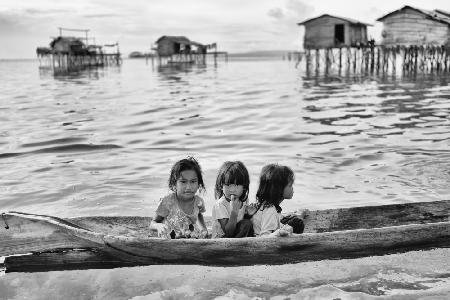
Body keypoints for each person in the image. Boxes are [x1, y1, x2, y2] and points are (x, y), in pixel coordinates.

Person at [150, 157, 208, 239]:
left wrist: (203, 229)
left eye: (193, 181)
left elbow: (199, 214)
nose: (189, 187)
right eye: (183, 182)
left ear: (199, 183)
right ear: (174, 183)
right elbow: (153, 223)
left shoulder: (198, 202)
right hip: (168, 241)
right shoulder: (168, 201)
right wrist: (159, 226)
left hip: (187, 239)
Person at [250, 164, 305, 237]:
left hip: (267, 231)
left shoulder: (266, 205)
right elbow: (264, 236)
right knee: (297, 223)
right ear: (279, 189)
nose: (292, 188)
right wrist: (280, 232)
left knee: (290, 219)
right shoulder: (270, 210)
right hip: (261, 241)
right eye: (290, 185)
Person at [211, 161, 254, 238]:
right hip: (221, 240)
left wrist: (249, 214)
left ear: (244, 187)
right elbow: (227, 233)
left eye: (237, 185)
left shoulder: (244, 200)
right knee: (246, 224)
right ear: (221, 186)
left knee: (248, 223)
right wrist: (234, 212)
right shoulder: (220, 205)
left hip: (236, 235)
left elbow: (241, 221)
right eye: (227, 185)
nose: (232, 190)